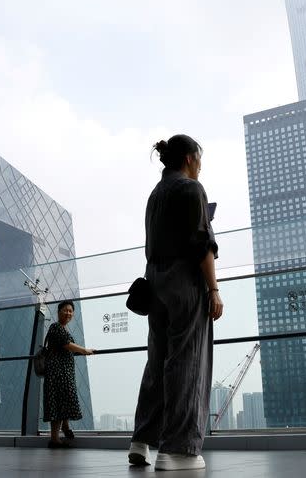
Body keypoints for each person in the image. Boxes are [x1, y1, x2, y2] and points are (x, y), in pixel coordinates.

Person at [127, 135, 223, 471]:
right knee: (187, 361)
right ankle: (178, 451)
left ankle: (141, 441)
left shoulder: (155, 195)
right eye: (200, 157)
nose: (201, 164)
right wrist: (213, 289)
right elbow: (201, 243)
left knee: (158, 361)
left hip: (155, 284)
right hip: (184, 283)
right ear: (188, 157)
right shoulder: (192, 189)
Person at [43, 300, 94, 448]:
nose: (68, 313)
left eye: (71, 311)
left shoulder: (63, 329)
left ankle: (65, 427)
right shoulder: (56, 327)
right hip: (57, 373)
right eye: (65, 310)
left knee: (63, 400)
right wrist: (85, 350)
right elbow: (67, 345)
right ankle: (54, 439)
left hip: (64, 372)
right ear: (58, 312)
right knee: (58, 402)